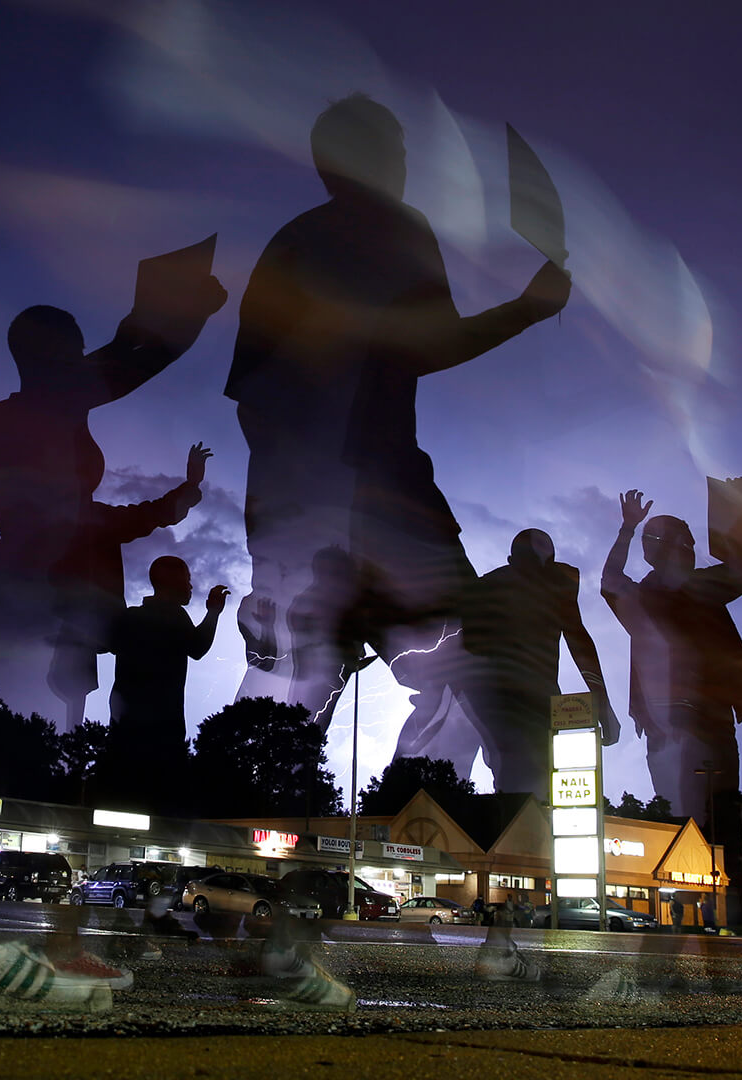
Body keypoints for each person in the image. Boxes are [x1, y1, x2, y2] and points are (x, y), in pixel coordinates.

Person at [223, 93, 572, 776]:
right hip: (384, 501)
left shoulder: (289, 244)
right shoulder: (395, 230)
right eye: (395, 149)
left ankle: (239, 829)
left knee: (290, 684)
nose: (405, 162)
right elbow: (430, 343)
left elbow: (249, 398)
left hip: (302, 505)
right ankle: (429, 820)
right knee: (465, 676)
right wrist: (526, 309)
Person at [0, 276, 226, 732]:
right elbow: (118, 370)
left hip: (45, 623)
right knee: (46, 749)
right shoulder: (28, 418)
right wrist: (176, 320)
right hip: (43, 622)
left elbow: (118, 364)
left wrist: (151, 325)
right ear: (47, 358)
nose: (82, 362)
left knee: (49, 749)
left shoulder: (26, 414)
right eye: (73, 353)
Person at [601, 485, 742, 916]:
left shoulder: (696, 588)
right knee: (689, 817)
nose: (692, 549)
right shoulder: (650, 595)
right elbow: (609, 581)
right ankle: (690, 907)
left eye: (692, 542)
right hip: (673, 723)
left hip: (706, 720)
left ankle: (710, 908)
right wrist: (626, 528)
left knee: (711, 815)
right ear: (660, 550)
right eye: (684, 542)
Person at [461, 528, 617, 795]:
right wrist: (602, 704)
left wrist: (602, 704)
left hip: (514, 701)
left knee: (528, 782)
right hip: (508, 702)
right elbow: (578, 639)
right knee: (526, 782)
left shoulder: (495, 585)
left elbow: (578, 639)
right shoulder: (547, 583)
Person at [95, 556, 229, 813]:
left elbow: (104, 644)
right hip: (163, 731)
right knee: (162, 806)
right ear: (172, 581)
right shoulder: (174, 617)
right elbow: (198, 647)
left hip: (125, 728)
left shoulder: (131, 617)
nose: (191, 586)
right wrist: (213, 612)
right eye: (187, 579)